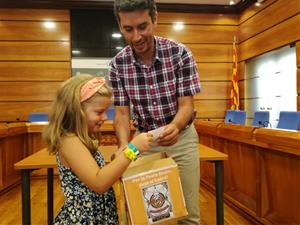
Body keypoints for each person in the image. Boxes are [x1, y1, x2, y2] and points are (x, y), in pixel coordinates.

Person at [109, 0, 201, 224]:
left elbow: (186, 105)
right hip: (143, 141)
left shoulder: (180, 54)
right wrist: (123, 145)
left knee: (189, 214)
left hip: (182, 136)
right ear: (120, 26)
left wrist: (176, 126)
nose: (136, 37)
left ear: (155, 18)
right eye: (128, 29)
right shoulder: (117, 65)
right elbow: (121, 114)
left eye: (142, 26)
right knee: (139, 212)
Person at [43, 74, 153, 225]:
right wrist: (132, 149)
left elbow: (97, 174)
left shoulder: (83, 138)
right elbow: (99, 182)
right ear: (77, 111)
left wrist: (118, 162)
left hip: (98, 214)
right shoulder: (69, 141)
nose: (105, 117)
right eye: (99, 112)